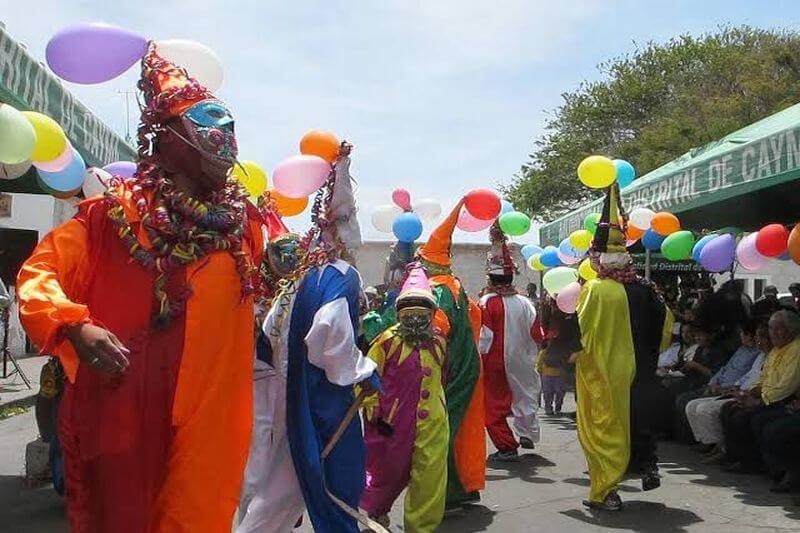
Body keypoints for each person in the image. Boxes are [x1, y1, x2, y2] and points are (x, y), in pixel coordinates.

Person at [17, 44, 264, 532]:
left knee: (200, 516)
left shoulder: (244, 228)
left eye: (231, 128)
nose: (226, 139)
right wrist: (72, 325)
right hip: (127, 401)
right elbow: (39, 273)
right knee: (123, 516)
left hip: (212, 414)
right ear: (166, 139)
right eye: (211, 124)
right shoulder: (113, 218)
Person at [278, 147, 381, 533]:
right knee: (341, 475)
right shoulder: (342, 275)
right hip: (328, 395)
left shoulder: (303, 275)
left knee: (306, 473)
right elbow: (328, 332)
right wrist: (361, 371)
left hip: (298, 388)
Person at [574, 183, 673, 511]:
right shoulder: (647, 287)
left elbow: (581, 331)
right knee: (638, 422)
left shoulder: (596, 290)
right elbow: (666, 325)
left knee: (605, 426)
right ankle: (646, 466)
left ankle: (606, 491)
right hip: (642, 372)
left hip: (606, 373)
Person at [360, 265, 449, 532]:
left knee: (430, 478)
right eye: (408, 311)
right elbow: (367, 376)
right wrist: (372, 404)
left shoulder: (440, 341)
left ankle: (421, 527)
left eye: (422, 311)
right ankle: (376, 511)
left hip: (432, 422)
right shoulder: (386, 341)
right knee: (386, 472)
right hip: (392, 422)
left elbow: (443, 375)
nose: (415, 318)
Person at [236, 208, 305, 533]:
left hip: (291, 387)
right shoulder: (247, 289)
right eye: (282, 252)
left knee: (289, 463)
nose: (289, 259)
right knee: (256, 464)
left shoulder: (303, 291)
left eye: (295, 253)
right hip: (254, 385)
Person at [417, 198, 486, 508]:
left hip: (449, 370)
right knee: (464, 428)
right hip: (467, 367)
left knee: (440, 432)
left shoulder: (436, 290)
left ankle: (448, 493)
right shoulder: (455, 285)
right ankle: (467, 485)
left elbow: (436, 330)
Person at [478, 224, 541, 460]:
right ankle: (528, 433)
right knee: (525, 393)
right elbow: (538, 333)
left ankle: (506, 445)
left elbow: (484, 337)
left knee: (492, 404)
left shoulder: (486, 302)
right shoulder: (525, 302)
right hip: (523, 359)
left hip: (495, 361)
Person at [721, 310, 800, 473]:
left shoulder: (796, 350)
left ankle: (774, 469)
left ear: (791, 330)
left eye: (779, 329)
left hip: (781, 400)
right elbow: (764, 379)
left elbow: (787, 386)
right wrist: (749, 393)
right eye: (771, 329)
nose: (774, 333)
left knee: (756, 419)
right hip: (769, 397)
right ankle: (742, 459)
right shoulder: (776, 351)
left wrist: (759, 401)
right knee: (729, 409)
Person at [685, 322, 770, 464]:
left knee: (712, 409)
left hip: (751, 394)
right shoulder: (754, 354)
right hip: (735, 389)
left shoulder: (762, 355)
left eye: (760, 338)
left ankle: (724, 449)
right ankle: (713, 444)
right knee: (692, 405)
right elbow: (743, 375)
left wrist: (740, 390)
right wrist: (728, 386)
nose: (758, 341)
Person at [673, 322, 759, 444]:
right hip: (715, 384)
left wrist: (725, 387)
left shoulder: (756, 354)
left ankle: (716, 445)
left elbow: (746, 377)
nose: (741, 337)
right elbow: (724, 368)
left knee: (697, 405)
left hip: (730, 388)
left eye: (743, 334)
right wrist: (712, 383)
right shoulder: (741, 350)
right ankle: (701, 440)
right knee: (685, 400)